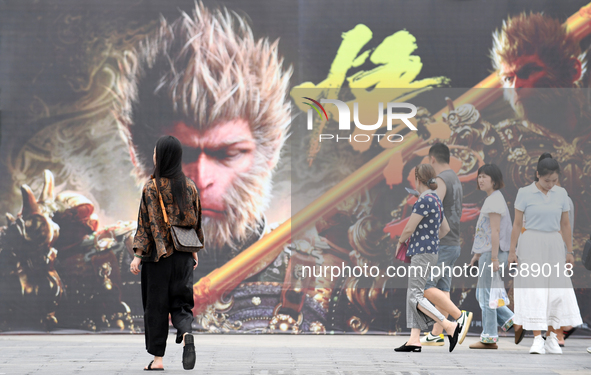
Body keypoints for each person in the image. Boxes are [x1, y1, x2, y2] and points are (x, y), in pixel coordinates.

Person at [130, 135, 204, 370]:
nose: (153, 155)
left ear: (161, 157)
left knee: (156, 306)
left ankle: (158, 360)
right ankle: (186, 333)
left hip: (157, 258)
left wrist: (137, 255)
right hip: (183, 256)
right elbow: (196, 221)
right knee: (181, 304)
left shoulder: (151, 187)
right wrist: (194, 251)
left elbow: (144, 224)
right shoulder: (190, 186)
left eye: (155, 152)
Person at [508, 154, 583, 355]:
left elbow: (565, 224)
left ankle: (551, 337)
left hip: (554, 244)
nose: (550, 184)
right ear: (537, 175)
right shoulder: (524, 193)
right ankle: (536, 339)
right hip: (531, 243)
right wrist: (512, 251)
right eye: (546, 180)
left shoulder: (561, 194)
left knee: (555, 293)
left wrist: (570, 251)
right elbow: (516, 224)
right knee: (536, 291)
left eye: (554, 180)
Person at [394, 164, 462, 353]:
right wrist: (431, 241)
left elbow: (409, 227)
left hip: (421, 254)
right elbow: (445, 230)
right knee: (413, 295)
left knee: (415, 295)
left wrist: (401, 242)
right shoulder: (436, 199)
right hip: (430, 252)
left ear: (418, 178)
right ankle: (414, 339)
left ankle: (449, 325)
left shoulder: (424, 200)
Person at [421, 143, 473, 346]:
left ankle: (459, 317)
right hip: (452, 242)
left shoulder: (441, 179)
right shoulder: (455, 179)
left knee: (424, 285)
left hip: (442, 242)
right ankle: (436, 333)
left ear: (432, 159)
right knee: (442, 288)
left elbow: (435, 208)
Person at [467, 164, 514, 349]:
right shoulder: (492, 199)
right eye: (479, 176)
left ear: (494, 180)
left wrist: (493, 258)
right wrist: (477, 254)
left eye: (485, 177)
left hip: (492, 254)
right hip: (486, 253)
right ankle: (511, 320)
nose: (481, 180)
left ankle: (489, 337)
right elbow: (485, 232)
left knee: (486, 295)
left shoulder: (494, 200)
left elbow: (495, 231)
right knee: (482, 294)